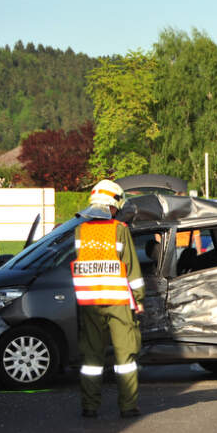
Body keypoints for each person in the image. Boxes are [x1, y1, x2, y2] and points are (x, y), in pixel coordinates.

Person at [73, 179, 145, 418]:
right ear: (113, 205)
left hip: (89, 302)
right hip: (117, 301)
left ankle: (89, 406)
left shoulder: (80, 230)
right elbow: (131, 268)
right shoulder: (119, 229)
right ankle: (127, 406)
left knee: (92, 357)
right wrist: (139, 297)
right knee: (125, 356)